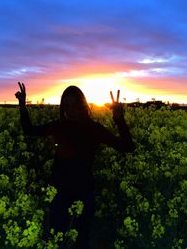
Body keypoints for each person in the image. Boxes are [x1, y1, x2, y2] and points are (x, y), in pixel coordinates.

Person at [15, 82, 135, 248]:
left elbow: (127, 147)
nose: (70, 110)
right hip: (59, 192)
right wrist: (22, 105)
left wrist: (119, 119)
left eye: (75, 105)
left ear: (83, 105)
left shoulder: (93, 129)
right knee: (56, 238)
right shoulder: (58, 126)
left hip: (84, 192)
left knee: (82, 240)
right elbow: (30, 130)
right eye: (66, 106)